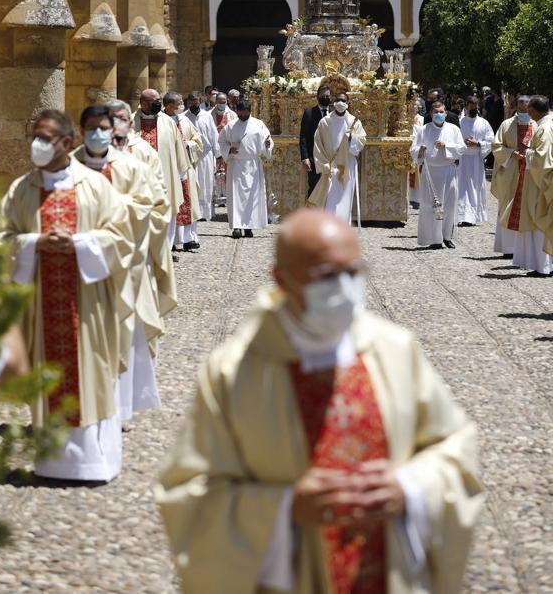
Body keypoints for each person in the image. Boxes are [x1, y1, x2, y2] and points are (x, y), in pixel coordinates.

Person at [157, 210, 483, 594]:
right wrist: (283, 510)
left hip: (387, 567)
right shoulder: (234, 371)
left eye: (354, 272)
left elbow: (454, 445)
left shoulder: (394, 348)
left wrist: (410, 489)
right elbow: (190, 493)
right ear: (281, 279)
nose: (345, 289)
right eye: (327, 276)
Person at [0, 109, 133, 482]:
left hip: (85, 304)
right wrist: (35, 243)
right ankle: (50, 462)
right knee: (48, 376)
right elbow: (1, 240)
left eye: (45, 138)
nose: (37, 145)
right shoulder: (22, 189)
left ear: (66, 143)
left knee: (89, 373)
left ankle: (92, 463)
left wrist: (79, 245)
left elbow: (122, 239)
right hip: (42, 304)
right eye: (34, 137)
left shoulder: (94, 187)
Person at [73, 105, 173, 423]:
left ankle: (120, 407)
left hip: (127, 263)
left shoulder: (134, 163)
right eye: (95, 126)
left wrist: (110, 208)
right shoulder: (70, 166)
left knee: (125, 329)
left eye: (111, 124)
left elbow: (157, 208)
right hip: (80, 268)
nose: (104, 132)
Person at [133, 88, 187, 255]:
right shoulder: (130, 121)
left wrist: (181, 172)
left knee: (166, 210)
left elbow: (178, 147)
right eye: (154, 102)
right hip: (138, 179)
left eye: (159, 101)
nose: (158, 104)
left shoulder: (167, 122)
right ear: (143, 103)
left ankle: (165, 249)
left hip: (165, 177)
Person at [411, 101, 467, 249]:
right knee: (431, 205)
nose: (439, 115)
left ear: (446, 113)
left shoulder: (453, 129)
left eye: (441, 112)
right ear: (430, 114)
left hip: (448, 171)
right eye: (436, 112)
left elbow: (461, 148)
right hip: (430, 172)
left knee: (449, 205)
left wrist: (446, 146)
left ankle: (447, 236)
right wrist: (420, 150)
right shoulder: (424, 130)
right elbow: (414, 149)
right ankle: (433, 239)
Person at [308, 93, 366, 225]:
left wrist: (351, 138)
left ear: (348, 103)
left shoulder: (354, 122)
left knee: (345, 200)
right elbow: (318, 144)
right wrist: (324, 165)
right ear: (334, 102)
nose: (340, 102)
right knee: (330, 200)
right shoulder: (325, 122)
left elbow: (362, 140)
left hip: (347, 165)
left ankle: (343, 228)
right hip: (331, 165)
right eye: (338, 100)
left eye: (343, 100)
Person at [218, 98, 273, 239]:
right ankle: (237, 226)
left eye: (246, 112)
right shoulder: (230, 126)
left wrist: (267, 145)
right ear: (237, 111)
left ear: (250, 111)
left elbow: (268, 140)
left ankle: (249, 226)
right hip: (236, 164)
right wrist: (229, 150)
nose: (243, 115)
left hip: (253, 165)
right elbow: (221, 141)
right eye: (240, 112)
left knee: (253, 197)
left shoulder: (258, 124)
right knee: (236, 197)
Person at [511, 95, 553, 277]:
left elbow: (541, 159)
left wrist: (526, 153)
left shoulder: (544, 128)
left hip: (541, 182)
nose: (528, 114)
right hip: (543, 179)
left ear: (534, 111)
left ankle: (544, 266)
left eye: (529, 111)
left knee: (540, 220)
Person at [491, 95, 536, 257]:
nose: (524, 111)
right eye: (521, 108)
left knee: (529, 208)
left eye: (527, 108)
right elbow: (496, 146)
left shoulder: (536, 125)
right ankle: (508, 248)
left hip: (531, 173)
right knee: (507, 207)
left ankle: (526, 249)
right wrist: (511, 154)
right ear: (515, 107)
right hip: (510, 173)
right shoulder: (506, 125)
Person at [164, 92, 203, 252]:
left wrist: (188, 145)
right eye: (179, 103)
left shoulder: (184, 120)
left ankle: (188, 238)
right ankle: (172, 240)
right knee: (174, 204)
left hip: (185, 168)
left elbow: (198, 139)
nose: (182, 106)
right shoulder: (162, 121)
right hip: (170, 169)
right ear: (168, 106)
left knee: (188, 202)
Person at [457, 95, 494, 227]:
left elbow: (491, 140)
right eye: (470, 106)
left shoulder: (484, 123)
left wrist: (478, 143)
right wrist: (463, 143)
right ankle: (462, 215)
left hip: (476, 160)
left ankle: (473, 216)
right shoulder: (460, 122)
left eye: (475, 106)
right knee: (462, 187)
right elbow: (454, 138)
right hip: (462, 159)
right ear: (466, 106)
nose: (473, 108)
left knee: (474, 187)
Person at [185, 92, 220, 222]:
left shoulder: (207, 116)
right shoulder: (184, 117)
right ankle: (193, 211)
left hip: (205, 155)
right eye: (192, 101)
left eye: (196, 101)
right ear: (188, 102)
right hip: (190, 155)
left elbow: (214, 135)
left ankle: (205, 213)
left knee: (206, 183)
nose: (194, 104)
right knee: (192, 183)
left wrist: (218, 155)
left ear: (200, 101)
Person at [299, 84, 332, 197]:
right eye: (323, 96)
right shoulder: (309, 113)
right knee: (314, 188)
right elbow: (303, 136)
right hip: (314, 159)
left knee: (331, 189)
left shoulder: (334, 113)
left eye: (327, 96)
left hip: (331, 158)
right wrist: (305, 158)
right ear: (317, 97)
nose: (325, 98)